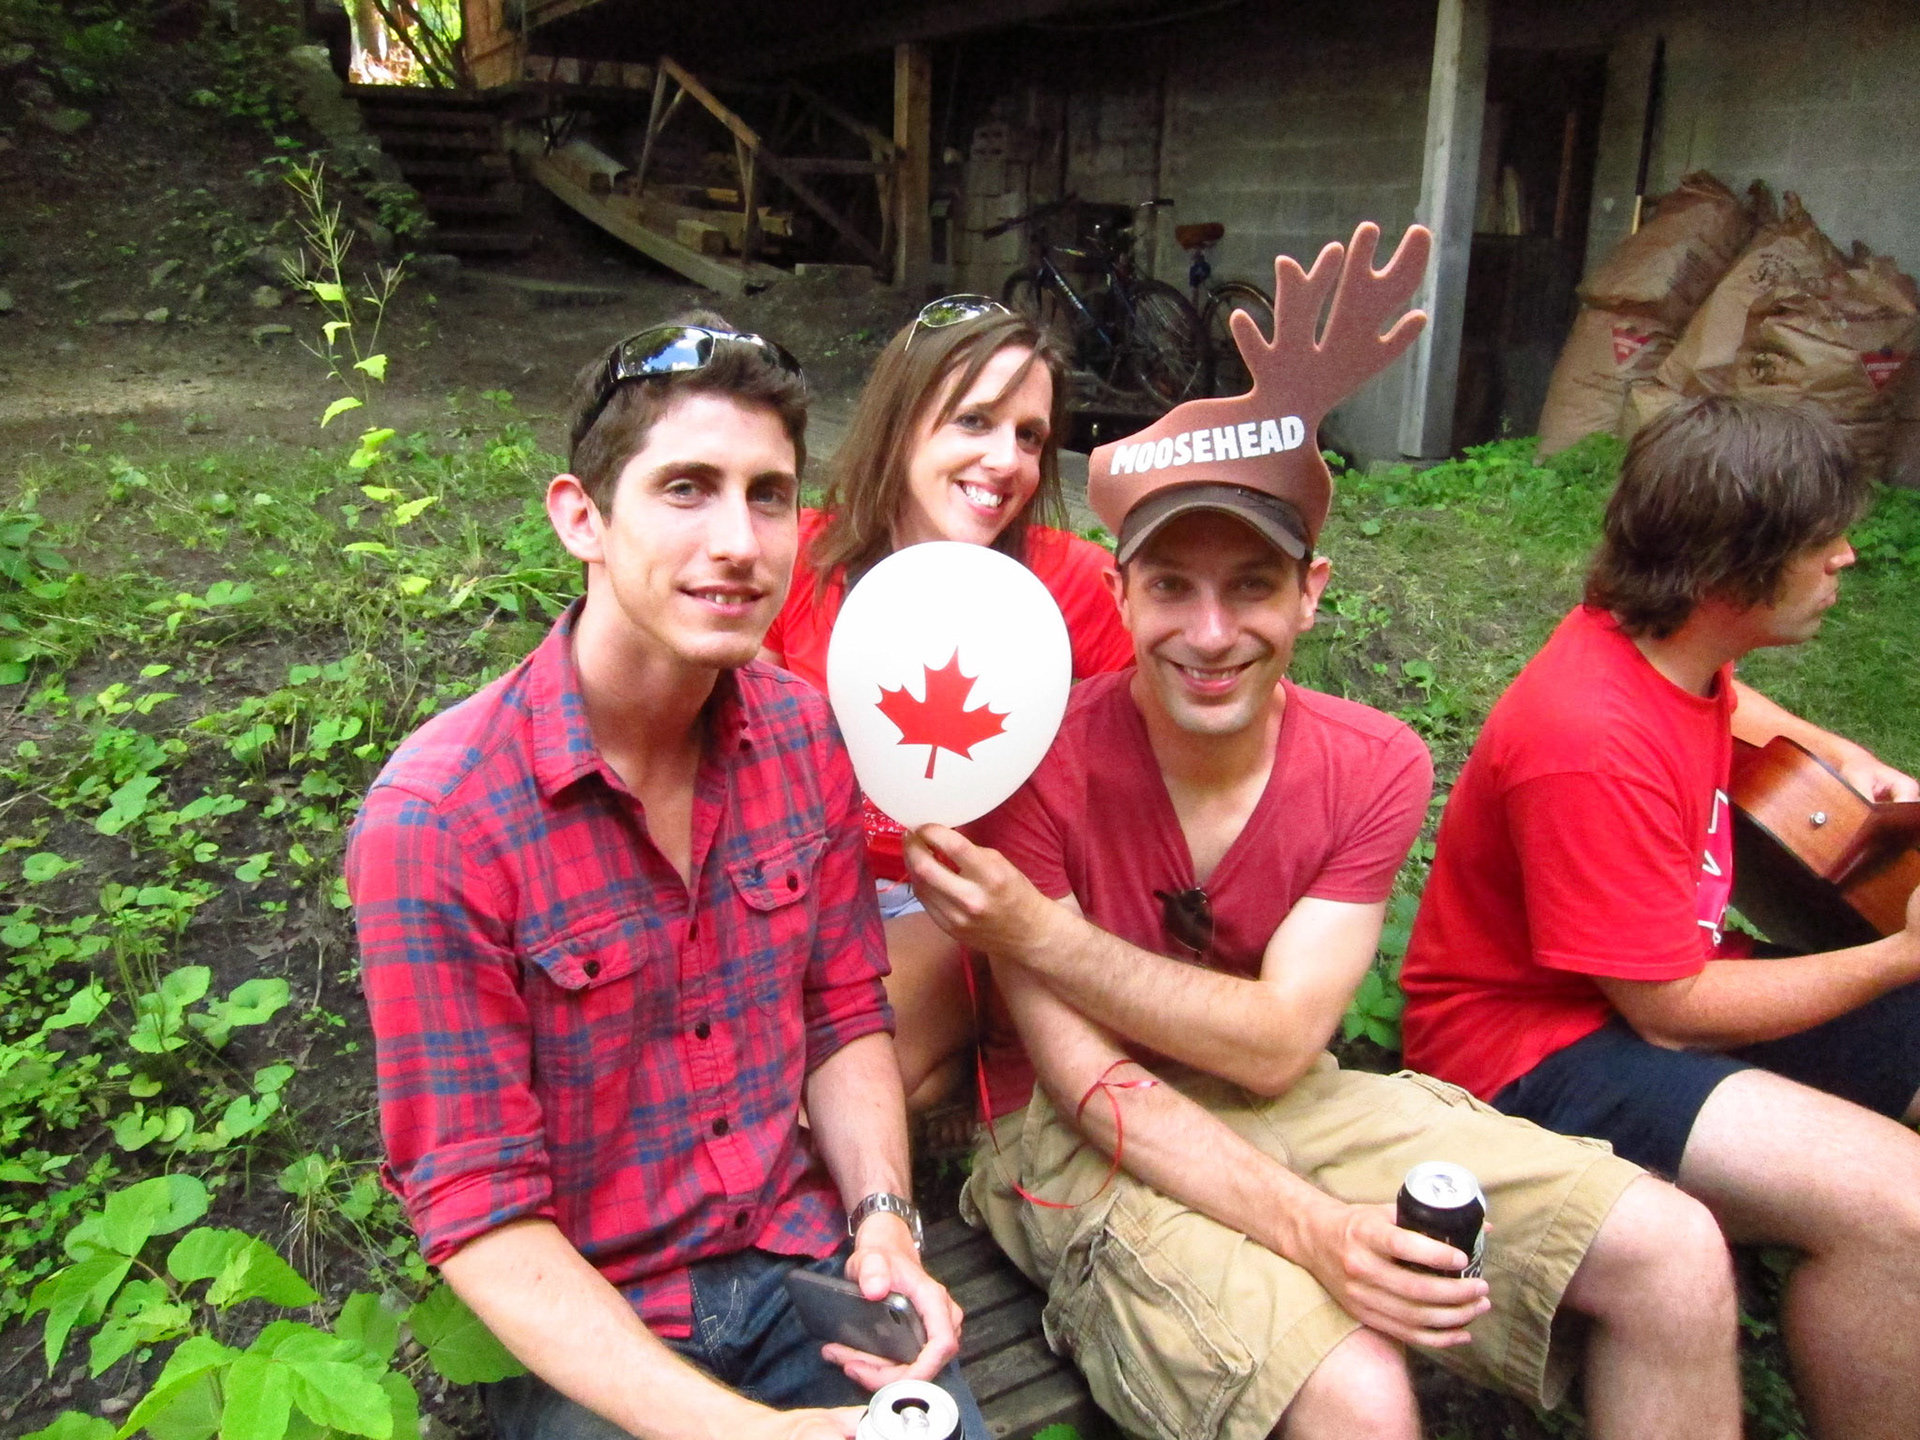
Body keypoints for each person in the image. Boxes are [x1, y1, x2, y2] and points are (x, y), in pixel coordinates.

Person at [900, 227, 1741, 1440]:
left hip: (1286, 1093)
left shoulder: (1376, 762)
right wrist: (1312, 1230)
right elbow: (1087, 1079)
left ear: (1311, 592)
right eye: (1171, 586)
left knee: (1674, 1252)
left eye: (1252, 584)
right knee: (1356, 1389)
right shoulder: (1037, 761)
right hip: (1068, 1130)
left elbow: (1280, 1042)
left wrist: (1038, 932)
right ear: (1118, 593)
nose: (1210, 632)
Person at [346, 318, 984, 1440]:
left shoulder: (805, 738)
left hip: (798, 1269)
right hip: (592, 1323)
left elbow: (842, 1015)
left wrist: (884, 1220)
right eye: (686, 488)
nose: (738, 541)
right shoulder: (439, 822)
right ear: (580, 517)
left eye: (769, 496)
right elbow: (477, 1207)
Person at [1400, 395, 1920, 1440]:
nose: (1847, 558)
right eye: (1820, 541)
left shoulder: (1662, 645)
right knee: (1897, 1209)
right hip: (1530, 1052)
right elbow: (1671, 1012)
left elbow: (1731, 704)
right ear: (1733, 568)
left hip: (1639, 992)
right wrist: (1901, 956)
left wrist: (1843, 761)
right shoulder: (1589, 737)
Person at [761, 298, 1132, 1110]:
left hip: (961, 900)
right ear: (902, 422)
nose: (1006, 460)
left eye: (1029, 436)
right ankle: (947, 1079)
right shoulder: (801, 555)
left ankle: (949, 1053)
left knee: (818, 1078)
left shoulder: (1074, 585)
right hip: (805, 889)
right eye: (974, 420)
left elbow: (1155, 758)